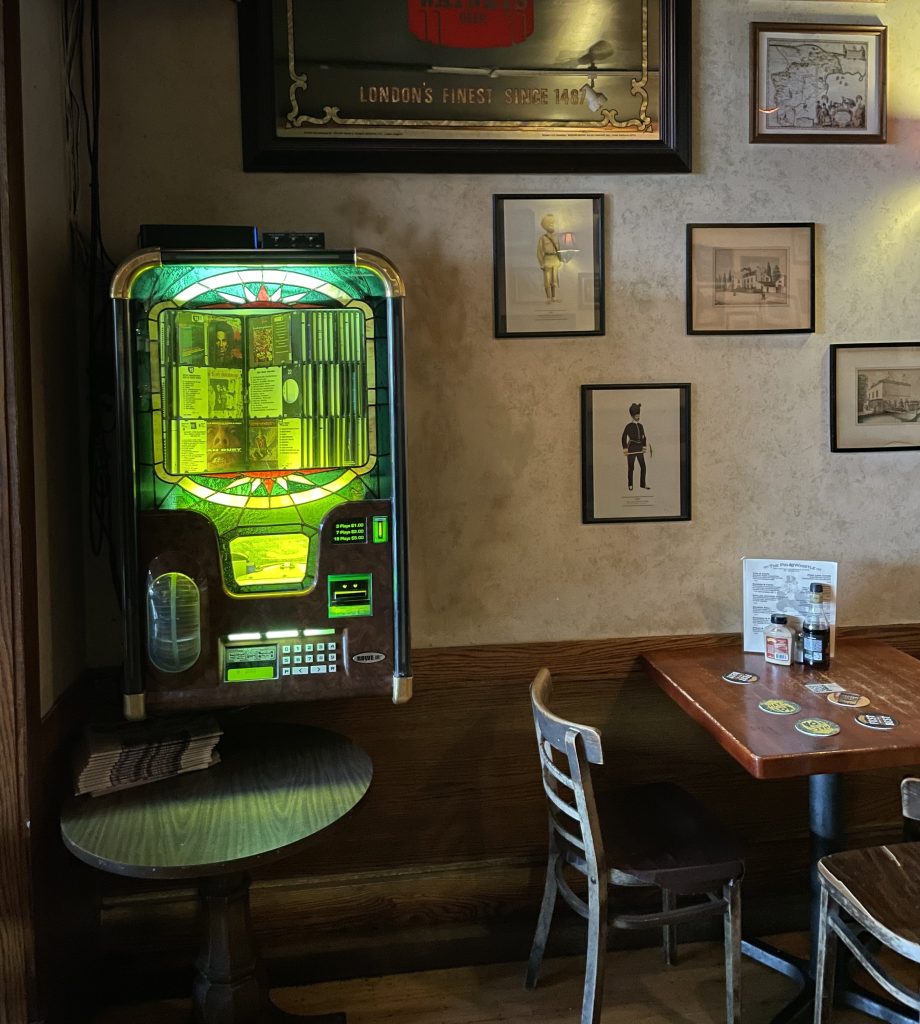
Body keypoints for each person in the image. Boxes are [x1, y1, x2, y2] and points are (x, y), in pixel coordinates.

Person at [621, 402, 652, 491]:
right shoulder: (628, 426)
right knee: (631, 467)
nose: (638, 417)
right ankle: (630, 485)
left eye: (639, 415)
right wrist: (625, 449)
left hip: (639, 449)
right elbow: (623, 437)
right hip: (631, 449)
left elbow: (643, 437)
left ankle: (643, 484)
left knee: (643, 467)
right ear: (632, 416)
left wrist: (644, 446)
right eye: (636, 415)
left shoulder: (641, 426)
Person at [536, 213, 563, 303]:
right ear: (545, 225)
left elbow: (559, 249)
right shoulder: (542, 238)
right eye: (550, 223)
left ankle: (554, 297)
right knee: (547, 279)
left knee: (554, 279)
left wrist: (560, 260)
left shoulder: (556, 237)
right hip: (547, 259)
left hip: (555, 259)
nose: (552, 225)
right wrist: (541, 263)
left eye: (553, 223)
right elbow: (539, 252)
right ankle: (548, 298)